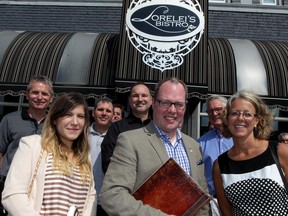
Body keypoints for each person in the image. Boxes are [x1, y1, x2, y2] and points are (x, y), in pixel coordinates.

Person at [100, 77, 209, 215]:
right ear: (154, 103)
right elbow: (111, 195)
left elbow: (202, 198)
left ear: (185, 106)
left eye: (178, 104)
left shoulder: (194, 146)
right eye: (165, 103)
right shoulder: (130, 141)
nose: (172, 110)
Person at [2, 92, 96, 216]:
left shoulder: (84, 157)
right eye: (68, 114)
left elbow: (90, 198)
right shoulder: (33, 145)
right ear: (55, 119)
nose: (75, 122)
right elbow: (12, 194)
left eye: (80, 116)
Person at [213, 90, 288, 215]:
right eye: (235, 113)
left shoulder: (280, 152)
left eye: (247, 114)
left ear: (257, 120)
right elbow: (227, 212)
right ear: (227, 119)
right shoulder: (220, 166)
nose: (240, 118)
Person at [0, 75, 53, 215]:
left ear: (51, 98)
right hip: (10, 184)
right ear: (27, 95)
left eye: (44, 94)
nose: (39, 97)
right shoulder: (10, 120)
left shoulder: (55, 125)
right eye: (35, 92)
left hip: (42, 186)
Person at [101, 82, 152, 173]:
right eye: (135, 95)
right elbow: (108, 163)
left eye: (144, 95)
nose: (140, 99)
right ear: (130, 100)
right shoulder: (116, 128)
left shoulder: (158, 128)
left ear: (151, 100)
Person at [197, 96, 233, 215]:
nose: (214, 113)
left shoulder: (241, 138)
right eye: (210, 111)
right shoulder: (200, 143)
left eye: (218, 109)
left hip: (239, 200)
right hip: (213, 204)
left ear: (227, 109)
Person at [89, 98, 113, 216]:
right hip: (84, 198)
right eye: (100, 110)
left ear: (113, 116)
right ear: (93, 113)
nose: (104, 113)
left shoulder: (117, 138)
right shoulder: (81, 135)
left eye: (108, 111)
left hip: (107, 202)